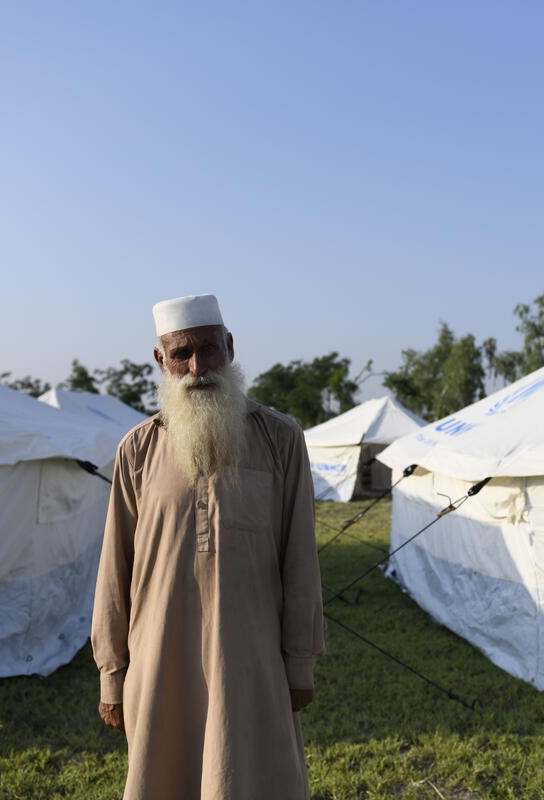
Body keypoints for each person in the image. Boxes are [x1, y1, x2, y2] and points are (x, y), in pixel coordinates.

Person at [91, 293, 324, 800]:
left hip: (252, 661)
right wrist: (113, 677)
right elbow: (115, 570)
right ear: (161, 360)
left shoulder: (281, 439)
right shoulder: (137, 449)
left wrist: (299, 663)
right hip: (159, 665)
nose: (197, 367)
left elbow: (300, 561)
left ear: (230, 347)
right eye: (182, 354)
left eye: (209, 350)